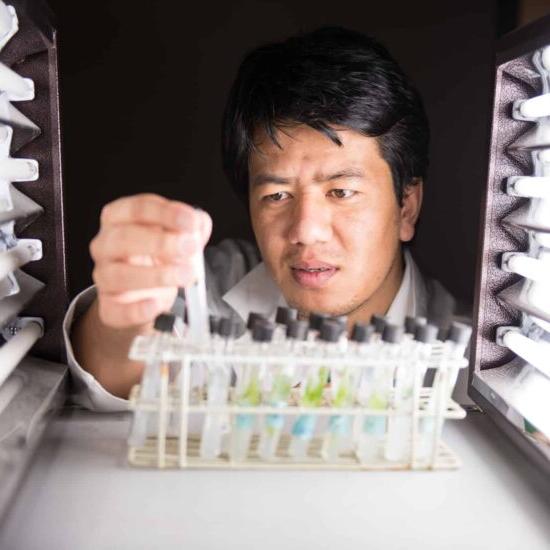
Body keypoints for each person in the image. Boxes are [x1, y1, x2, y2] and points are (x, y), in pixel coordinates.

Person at [65, 26, 470, 411]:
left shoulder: (472, 358)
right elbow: (114, 373)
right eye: (277, 195)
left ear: (406, 207)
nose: (305, 231)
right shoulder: (203, 288)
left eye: (341, 192)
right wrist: (122, 318)